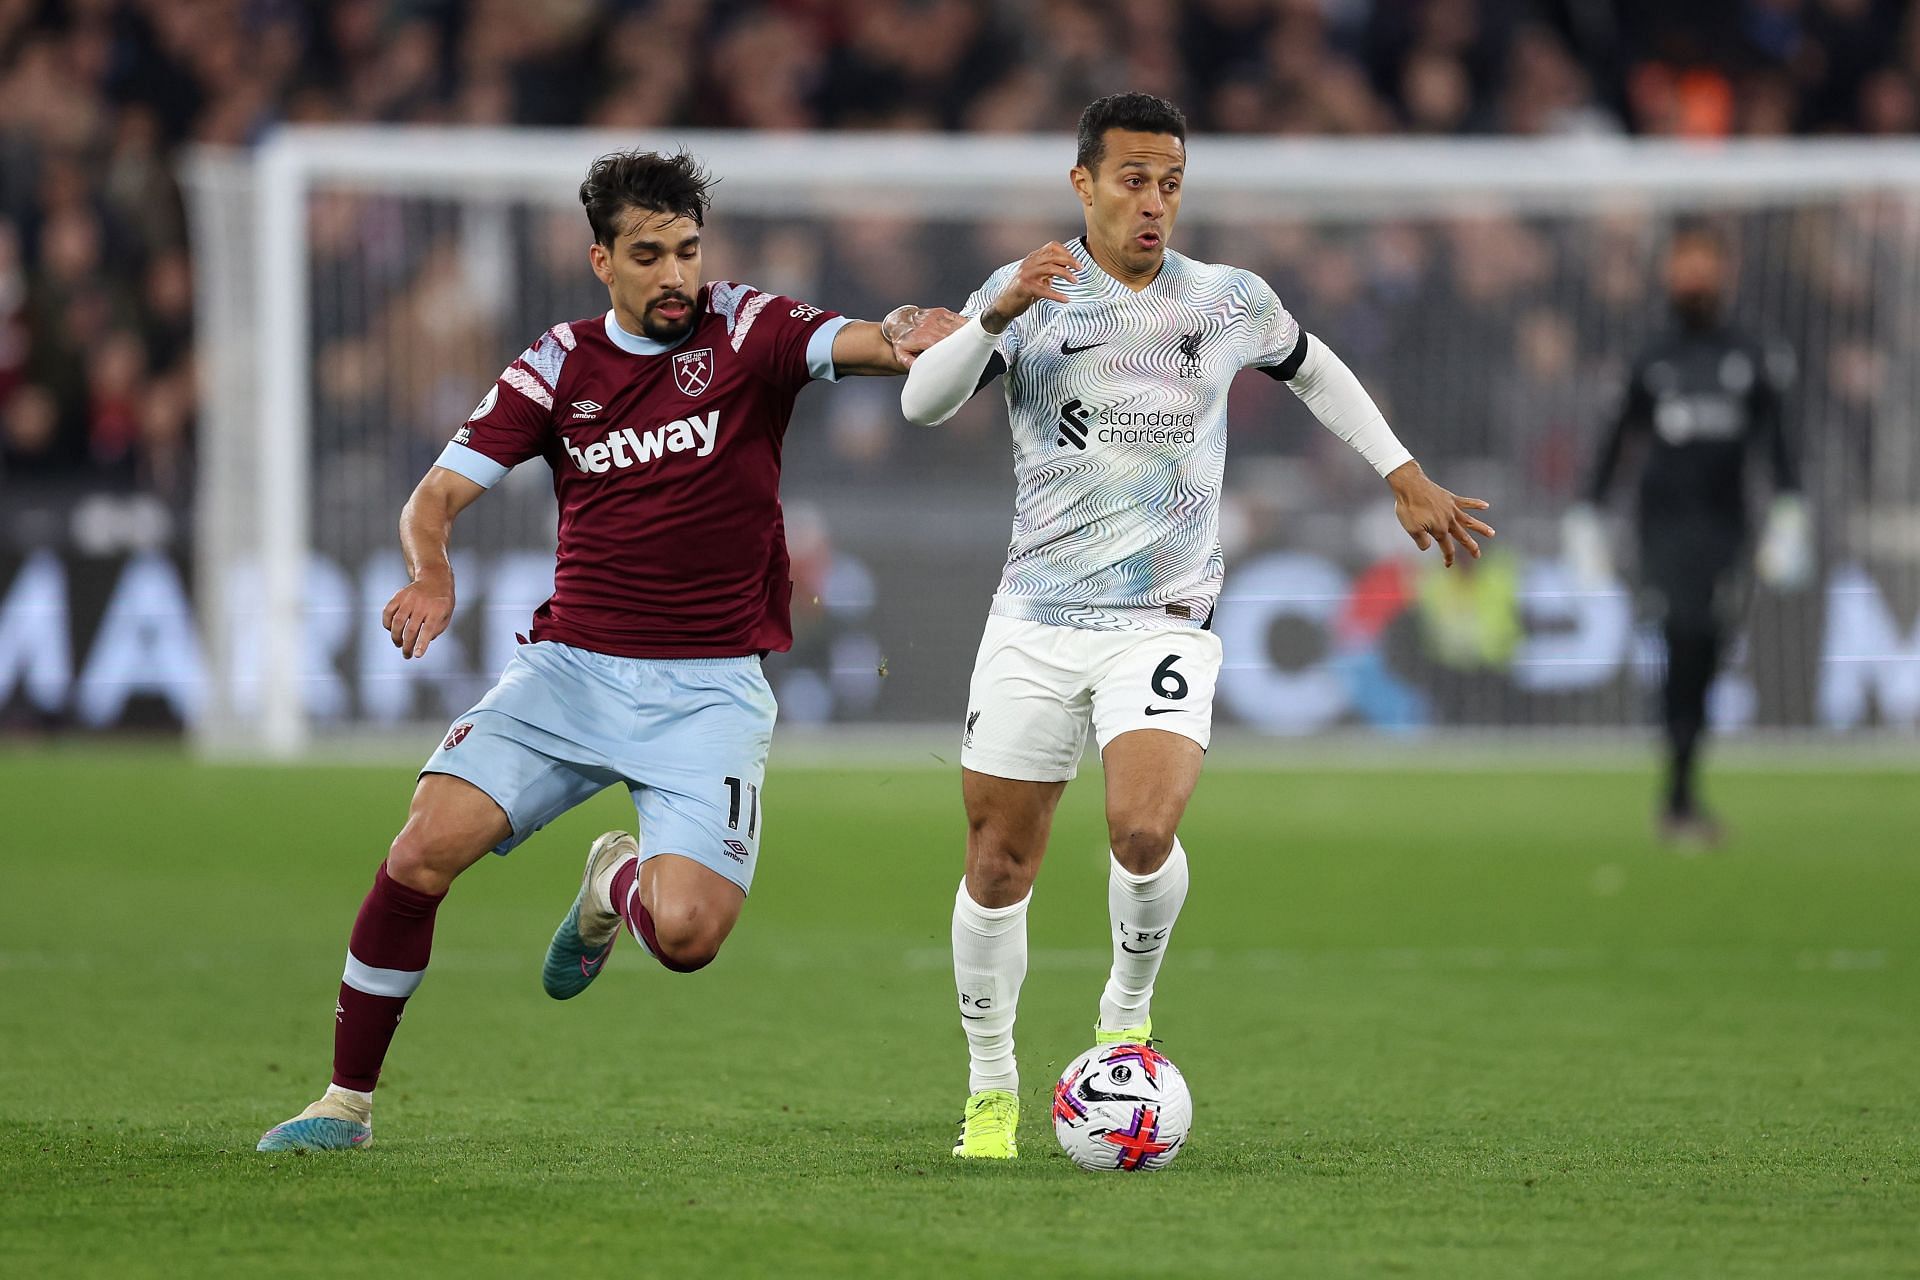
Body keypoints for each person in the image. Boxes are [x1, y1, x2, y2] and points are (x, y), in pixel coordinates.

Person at [258, 150, 959, 1152]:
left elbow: (858, 341)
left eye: (687, 249)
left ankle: (612, 882)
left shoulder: (746, 327)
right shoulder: (558, 365)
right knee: (419, 849)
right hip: (572, 669)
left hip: (710, 690)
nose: (676, 273)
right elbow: (435, 497)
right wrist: (432, 572)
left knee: (686, 937)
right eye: (649, 253)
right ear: (603, 261)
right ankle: (344, 1103)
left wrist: (902, 333)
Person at [900, 93, 1494, 1159]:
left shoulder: (1227, 301)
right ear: (1083, 184)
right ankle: (991, 1088)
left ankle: (1125, 1012)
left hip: (1161, 618)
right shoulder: (1028, 291)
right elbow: (921, 404)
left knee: (1144, 828)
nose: (1154, 203)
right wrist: (991, 315)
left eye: (1171, 182)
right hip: (1035, 616)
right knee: (999, 860)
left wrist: (1402, 474)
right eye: (1133, 179)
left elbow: (1314, 367)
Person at [1564, 221, 1807, 848]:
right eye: (1683, 262)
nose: (1692, 274)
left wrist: (1789, 514)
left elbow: (1778, 447)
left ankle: (1681, 784)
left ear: (1723, 270)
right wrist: (1588, 511)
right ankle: (1677, 791)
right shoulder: (1652, 356)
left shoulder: (1752, 354)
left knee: (1709, 649)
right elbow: (1618, 440)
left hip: (1727, 529)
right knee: (1682, 635)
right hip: (1664, 526)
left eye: (1703, 262)